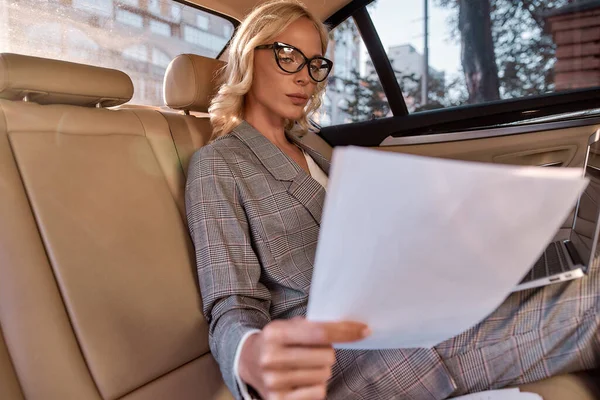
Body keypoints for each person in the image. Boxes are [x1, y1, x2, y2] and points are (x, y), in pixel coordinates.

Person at [185, 1, 600, 399]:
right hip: (357, 355)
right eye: (287, 55)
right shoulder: (218, 163)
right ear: (247, 54)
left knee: (572, 270)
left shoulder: (312, 151)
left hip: (412, 303)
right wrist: (250, 356)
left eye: (315, 64)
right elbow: (231, 302)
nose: (305, 77)